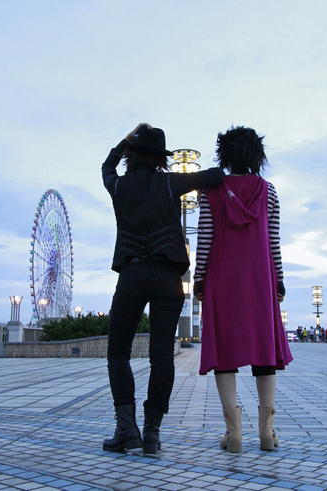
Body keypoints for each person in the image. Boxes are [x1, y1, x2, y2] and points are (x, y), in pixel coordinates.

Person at [101, 123, 225, 453]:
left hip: (131, 275)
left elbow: (106, 167)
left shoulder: (119, 186)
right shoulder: (171, 182)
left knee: (118, 353)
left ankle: (127, 429)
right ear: (160, 158)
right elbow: (215, 176)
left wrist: (124, 140)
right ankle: (152, 433)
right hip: (168, 278)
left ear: (131, 154)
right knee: (161, 356)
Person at [194, 126, 292, 453]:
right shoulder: (269, 192)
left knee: (224, 352)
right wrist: (278, 280)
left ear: (225, 155)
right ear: (256, 156)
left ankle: (233, 434)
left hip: (222, 279)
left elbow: (204, 240)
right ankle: (267, 432)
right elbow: (273, 241)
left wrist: (199, 280)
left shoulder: (211, 193)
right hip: (260, 279)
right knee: (264, 351)